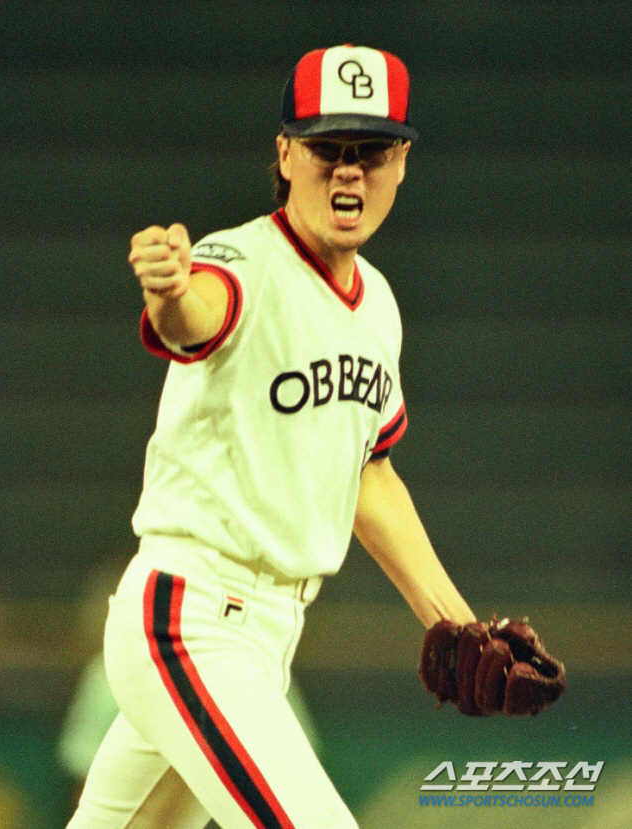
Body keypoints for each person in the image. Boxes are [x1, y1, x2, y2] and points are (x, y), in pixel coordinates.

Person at [66, 44, 477, 829]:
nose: (347, 171)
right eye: (327, 147)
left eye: (371, 150)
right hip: (190, 618)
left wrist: (452, 618)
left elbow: (368, 474)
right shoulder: (242, 261)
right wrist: (169, 294)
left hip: (259, 638)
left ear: (402, 162)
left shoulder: (379, 306)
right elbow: (196, 316)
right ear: (286, 154)